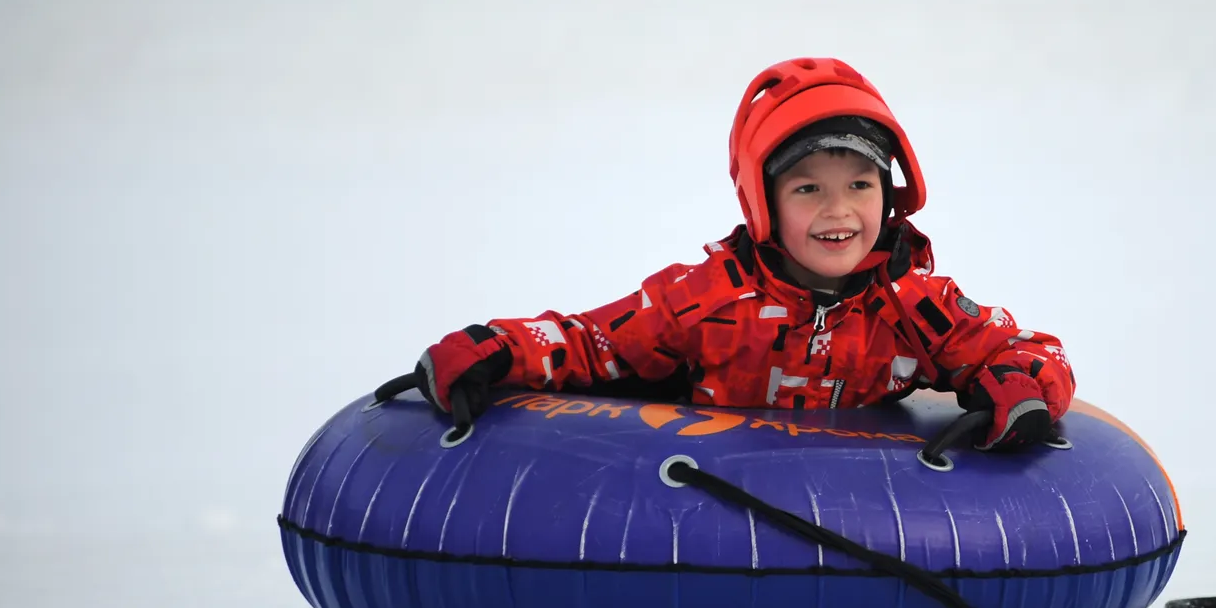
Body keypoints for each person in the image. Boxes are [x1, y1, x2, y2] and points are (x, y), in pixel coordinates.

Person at [410, 57, 1074, 450]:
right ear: (763, 203)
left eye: (860, 186)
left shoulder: (916, 307)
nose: (839, 211)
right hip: (712, 513)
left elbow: (1028, 349)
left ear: (890, 191)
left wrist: (1019, 387)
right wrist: (498, 348)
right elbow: (595, 343)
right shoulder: (706, 299)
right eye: (808, 189)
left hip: (869, 521)